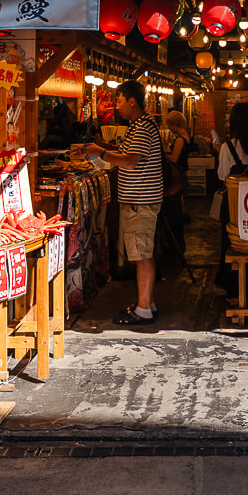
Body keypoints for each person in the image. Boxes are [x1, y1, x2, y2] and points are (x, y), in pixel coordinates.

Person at [83, 82, 164, 325]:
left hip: (140, 201)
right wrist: (102, 148)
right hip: (140, 199)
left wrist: (102, 154)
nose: (116, 106)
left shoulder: (141, 128)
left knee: (142, 254)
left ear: (132, 101)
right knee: (142, 253)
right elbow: (127, 153)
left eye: (119, 101)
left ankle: (143, 310)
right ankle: (146, 303)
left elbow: (129, 161)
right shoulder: (140, 126)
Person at [215, 103, 248, 294]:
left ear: (233, 123)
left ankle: (228, 282)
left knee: (230, 240)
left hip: (233, 202)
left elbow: (222, 176)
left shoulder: (227, 147)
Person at [158, 110, 191, 265]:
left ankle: (175, 243)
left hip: (177, 177)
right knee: (178, 207)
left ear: (174, 124)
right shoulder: (186, 137)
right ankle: (177, 243)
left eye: (170, 124)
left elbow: (174, 158)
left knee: (174, 210)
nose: (169, 128)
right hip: (182, 175)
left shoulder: (179, 140)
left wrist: (163, 152)